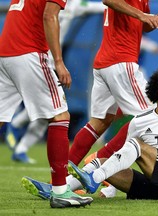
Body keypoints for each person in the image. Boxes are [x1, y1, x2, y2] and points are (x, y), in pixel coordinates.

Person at [21, 0, 158, 199]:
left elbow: (144, 26)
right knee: (150, 118)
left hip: (106, 62)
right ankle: (100, 172)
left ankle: (58, 183)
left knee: (100, 122)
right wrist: (142, 15)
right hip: (121, 62)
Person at [68, 64, 158, 199]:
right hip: (156, 185)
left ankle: (95, 178)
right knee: (101, 162)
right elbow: (123, 155)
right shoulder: (140, 121)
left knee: (136, 145)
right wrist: (111, 188)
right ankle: (61, 188)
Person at [0, 0, 93, 208]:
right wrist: (58, 62)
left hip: (5, 52)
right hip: (29, 52)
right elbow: (49, 16)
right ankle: (60, 191)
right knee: (59, 115)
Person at [5, 0, 106, 164]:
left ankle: (21, 147)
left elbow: (102, 5)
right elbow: (48, 17)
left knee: (50, 111)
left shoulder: (77, 4)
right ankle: (59, 185)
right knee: (57, 111)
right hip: (40, 57)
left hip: (38, 57)